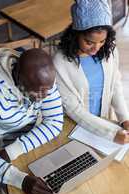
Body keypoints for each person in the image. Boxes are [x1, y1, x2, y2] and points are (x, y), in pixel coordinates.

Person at [53, 0, 129, 144]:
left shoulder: (109, 49)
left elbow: (115, 86)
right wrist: (111, 133)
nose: (96, 48)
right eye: (89, 42)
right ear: (75, 35)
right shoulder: (60, 62)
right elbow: (73, 109)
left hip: (104, 122)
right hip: (77, 128)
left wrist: (124, 118)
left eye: (102, 41)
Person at [0, 48, 63, 194]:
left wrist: (11, 152)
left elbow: (55, 121)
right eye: (38, 92)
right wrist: (20, 180)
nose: (45, 96)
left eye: (49, 89)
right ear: (19, 78)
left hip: (19, 142)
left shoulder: (42, 80)